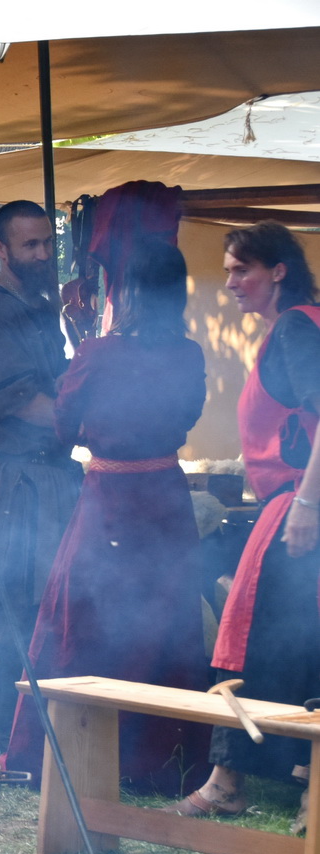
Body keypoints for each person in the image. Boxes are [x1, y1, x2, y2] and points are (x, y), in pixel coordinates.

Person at [1, 243, 210, 790]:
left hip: (111, 501)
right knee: (167, 621)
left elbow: (66, 424)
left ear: (126, 291)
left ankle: (65, 750)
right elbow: (187, 415)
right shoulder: (189, 355)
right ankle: (163, 758)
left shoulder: (98, 353)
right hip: (165, 497)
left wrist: (82, 350)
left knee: (83, 619)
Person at [173, 224, 320, 820]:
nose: (230, 282)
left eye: (242, 271)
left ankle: (226, 783)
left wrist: (306, 506)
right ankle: (307, 788)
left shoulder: (296, 328)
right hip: (297, 503)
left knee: (255, 644)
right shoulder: (301, 326)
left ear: (278, 271)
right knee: (300, 645)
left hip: (299, 505)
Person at [0, 200, 80, 759]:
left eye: (46, 244)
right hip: (18, 484)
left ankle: (31, 736)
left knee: (51, 608)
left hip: (53, 478)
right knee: (9, 607)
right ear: (0, 250)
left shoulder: (39, 306)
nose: (40, 254)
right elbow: (23, 403)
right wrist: (90, 421)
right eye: (29, 245)